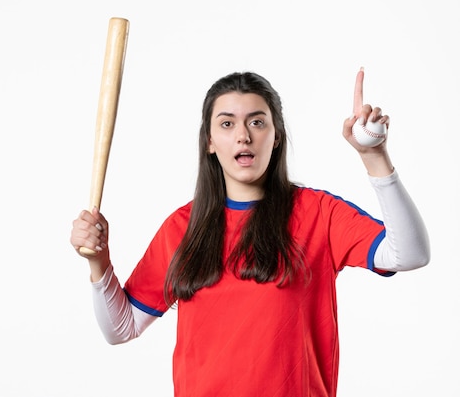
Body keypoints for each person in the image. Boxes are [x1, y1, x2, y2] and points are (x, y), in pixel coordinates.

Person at [70, 69, 430, 397]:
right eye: (226, 124)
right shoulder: (183, 227)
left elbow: (410, 253)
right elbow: (121, 328)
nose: (243, 135)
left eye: (257, 122)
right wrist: (100, 262)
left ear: (275, 137)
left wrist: (376, 157)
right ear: (209, 141)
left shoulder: (318, 213)